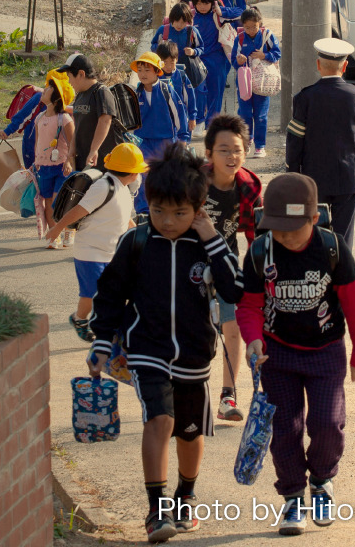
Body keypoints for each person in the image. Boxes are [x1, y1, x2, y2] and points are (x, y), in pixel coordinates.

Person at [88, 143, 243, 542]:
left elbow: (234, 289)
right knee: (160, 418)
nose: (168, 221)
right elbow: (109, 296)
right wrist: (102, 342)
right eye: (158, 211)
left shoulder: (205, 246)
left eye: (179, 213)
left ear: (198, 208)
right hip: (147, 349)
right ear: (147, 202)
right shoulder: (137, 243)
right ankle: (157, 511)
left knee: (189, 432)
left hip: (193, 353)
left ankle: (185, 496)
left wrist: (210, 236)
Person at [236, 172, 355, 536]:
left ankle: (323, 480)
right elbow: (248, 306)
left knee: (327, 423)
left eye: (292, 230)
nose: (284, 237)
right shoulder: (261, 251)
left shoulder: (332, 247)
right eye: (277, 229)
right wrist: (252, 339)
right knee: (285, 429)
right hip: (277, 354)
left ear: (313, 219)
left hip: (325, 352)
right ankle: (294, 495)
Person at [45, 143, 146, 342]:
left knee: (112, 294)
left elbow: (125, 219)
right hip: (90, 251)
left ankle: (109, 329)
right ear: (132, 173)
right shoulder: (103, 186)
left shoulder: (123, 189)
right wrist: (57, 228)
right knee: (93, 293)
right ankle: (80, 319)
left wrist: (141, 237)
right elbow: (78, 211)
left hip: (111, 252)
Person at [202, 114, 262, 422]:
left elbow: (257, 237)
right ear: (209, 152)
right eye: (223, 149)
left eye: (237, 149)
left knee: (233, 325)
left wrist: (260, 277)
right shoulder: (193, 181)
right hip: (189, 263)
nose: (231, 156)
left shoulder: (249, 187)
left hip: (226, 261)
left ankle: (228, 395)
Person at [287, 38, 355, 247]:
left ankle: (320, 273)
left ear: (318, 65)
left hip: (315, 177)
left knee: (316, 234)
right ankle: (343, 274)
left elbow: (295, 139)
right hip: (348, 176)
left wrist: (293, 171)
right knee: (343, 236)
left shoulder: (304, 97)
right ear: (345, 66)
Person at [132, 52, 189, 214]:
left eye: (147, 70)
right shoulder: (135, 94)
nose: (142, 74)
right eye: (140, 70)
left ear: (157, 71)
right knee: (142, 177)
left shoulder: (167, 91)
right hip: (142, 142)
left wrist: (183, 139)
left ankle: (167, 208)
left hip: (165, 142)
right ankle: (143, 211)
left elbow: (179, 115)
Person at [32, 72, 76, 249]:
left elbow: (73, 143)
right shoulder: (39, 118)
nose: (44, 89)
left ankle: (66, 229)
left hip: (61, 167)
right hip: (44, 167)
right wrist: (34, 163)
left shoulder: (64, 119)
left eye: (49, 88)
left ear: (57, 98)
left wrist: (69, 161)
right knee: (48, 201)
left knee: (59, 201)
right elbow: (37, 143)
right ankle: (53, 233)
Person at [231, 6, 281, 158]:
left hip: (263, 81)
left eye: (254, 27)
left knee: (260, 115)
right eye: (247, 27)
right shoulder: (239, 38)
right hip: (245, 82)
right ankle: (247, 141)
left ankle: (260, 146)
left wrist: (263, 55)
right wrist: (239, 60)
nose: (251, 30)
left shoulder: (268, 35)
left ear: (260, 24)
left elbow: (277, 54)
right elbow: (233, 61)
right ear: (243, 26)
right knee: (245, 113)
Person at [59, 53, 123, 172]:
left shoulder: (101, 92)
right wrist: (71, 153)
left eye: (69, 76)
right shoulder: (80, 96)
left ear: (81, 74)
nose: (68, 82)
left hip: (105, 162)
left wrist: (94, 149)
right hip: (85, 162)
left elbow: (105, 121)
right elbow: (78, 126)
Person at [191, 0, 242, 128]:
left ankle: (211, 124)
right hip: (197, 59)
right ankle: (200, 120)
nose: (201, 6)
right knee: (198, 91)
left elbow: (241, 12)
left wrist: (222, 11)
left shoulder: (218, 15)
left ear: (212, 2)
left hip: (216, 60)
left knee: (216, 93)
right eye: (198, 3)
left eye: (205, 3)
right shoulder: (191, 17)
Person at [152, 3, 207, 135]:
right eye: (176, 21)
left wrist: (193, 52)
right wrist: (161, 48)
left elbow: (202, 48)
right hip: (166, 70)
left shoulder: (192, 31)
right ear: (172, 19)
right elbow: (153, 45)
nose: (179, 25)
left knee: (191, 95)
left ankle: (193, 121)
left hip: (188, 70)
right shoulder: (163, 30)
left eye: (183, 22)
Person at [155, 41, 198, 139]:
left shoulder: (181, 76)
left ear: (177, 59)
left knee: (181, 148)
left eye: (172, 62)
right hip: (162, 122)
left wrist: (192, 117)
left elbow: (190, 98)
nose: (169, 66)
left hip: (181, 120)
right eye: (165, 62)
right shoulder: (155, 77)